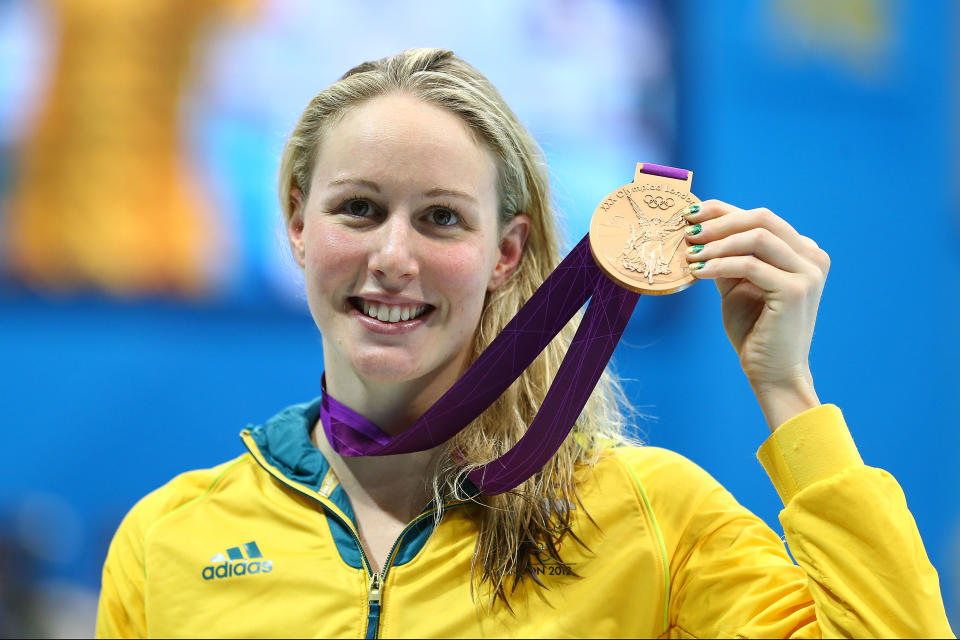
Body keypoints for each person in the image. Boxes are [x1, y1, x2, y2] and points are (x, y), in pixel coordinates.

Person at [95, 48, 953, 638]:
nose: (393, 258)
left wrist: (789, 392)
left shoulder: (646, 518)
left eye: (440, 219)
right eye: (359, 208)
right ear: (295, 225)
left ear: (505, 254)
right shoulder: (170, 539)